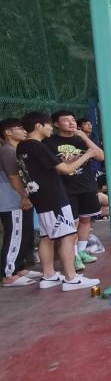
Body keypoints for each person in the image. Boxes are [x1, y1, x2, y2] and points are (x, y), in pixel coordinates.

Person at [17, 112, 100, 291]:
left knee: (47, 237)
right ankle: (71, 278)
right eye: (48, 125)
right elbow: (66, 169)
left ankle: (49, 275)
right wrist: (87, 155)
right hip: (53, 196)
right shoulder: (38, 146)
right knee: (68, 236)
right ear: (38, 126)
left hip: (39, 196)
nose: (50, 129)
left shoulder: (22, 146)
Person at [45, 110, 104, 271]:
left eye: (73, 119)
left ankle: (82, 251)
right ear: (56, 124)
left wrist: (84, 137)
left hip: (87, 185)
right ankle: (74, 255)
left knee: (85, 219)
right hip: (65, 187)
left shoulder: (81, 139)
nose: (71, 122)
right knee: (72, 223)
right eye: (66, 120)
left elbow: (100, 156)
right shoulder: (49, 142)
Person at [0, 119, 36, 287]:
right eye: (20, 128)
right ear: (8, 132)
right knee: (14, 234)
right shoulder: (7, 150)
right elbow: (13, 177)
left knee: (23, 233)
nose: (24, 131)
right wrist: (24, 196)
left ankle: (19, 267)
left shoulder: (16, 149)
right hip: (11, 200)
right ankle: (8, 275)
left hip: (19, 198)